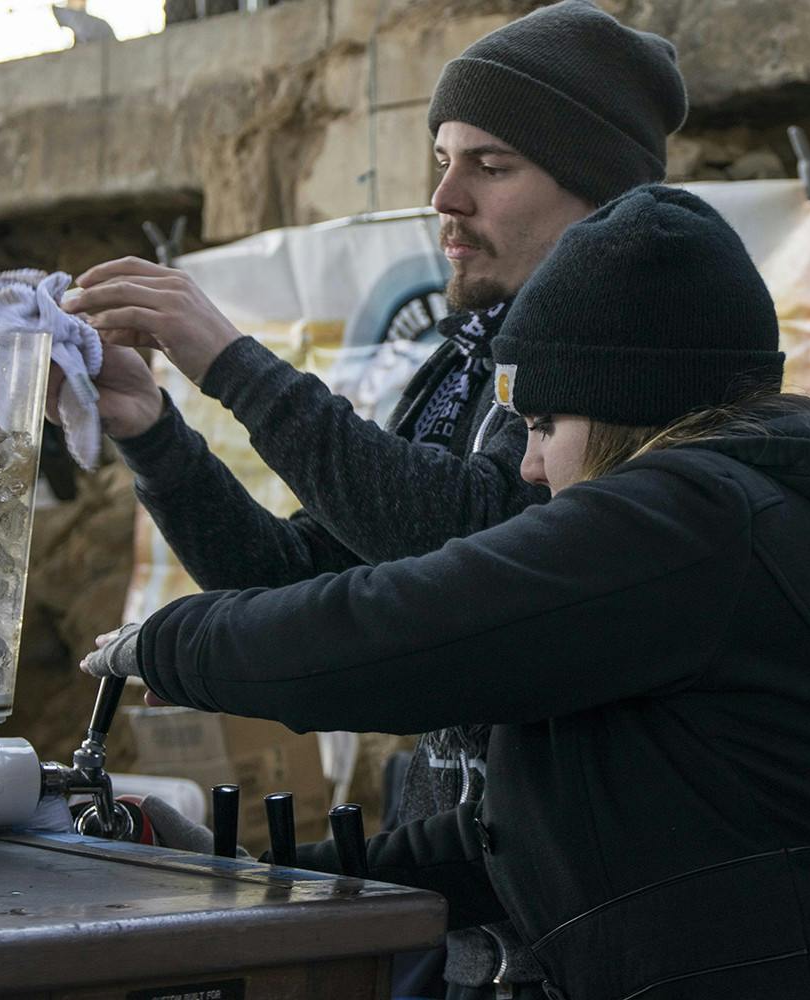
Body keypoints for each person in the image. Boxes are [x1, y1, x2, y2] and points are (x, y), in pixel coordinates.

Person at [83, 184, 810, 999]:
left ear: (626, 410)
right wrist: (242, 872)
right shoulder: (728, 527)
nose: (529, 467)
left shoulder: (695, 517)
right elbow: (526, 839)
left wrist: (164, 643)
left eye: (542, 426)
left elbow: (399, 635)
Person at [57, 2, 687, 994]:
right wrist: (154, 430)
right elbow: (290, 573)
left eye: (491, 165)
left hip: (607, 939)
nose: (443, 195)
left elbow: (493, 561)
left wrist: (230, 363)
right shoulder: (459, 370)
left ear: (598, 196)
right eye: (441, 156)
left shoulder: (641, 374)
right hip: (469, 906)